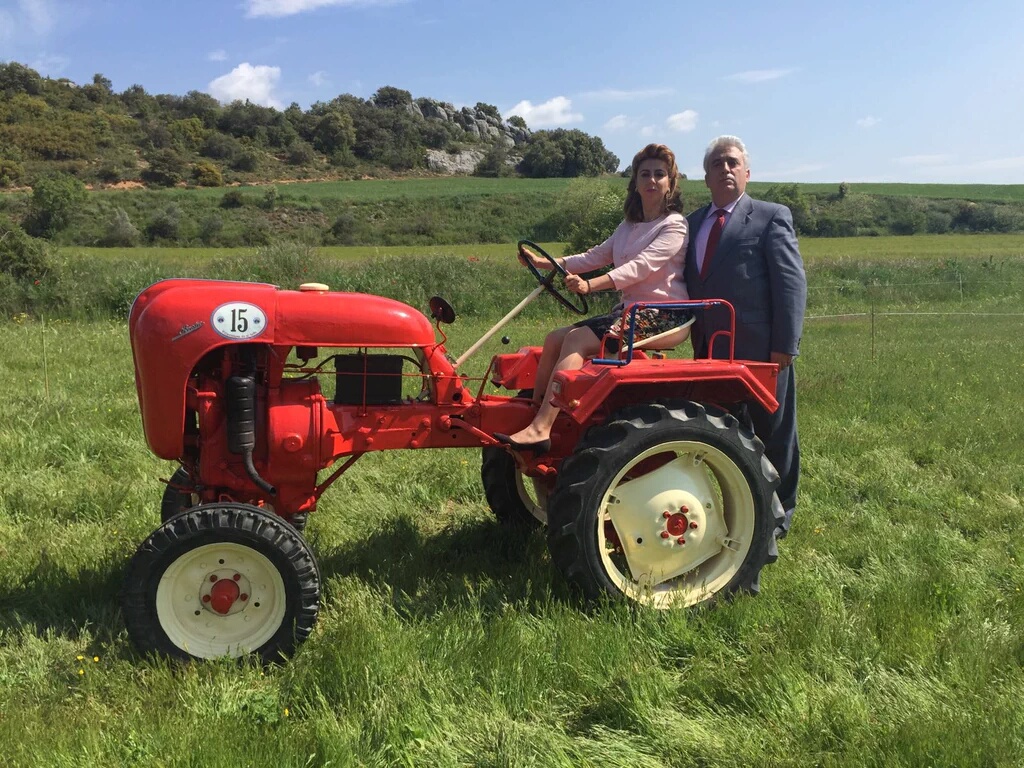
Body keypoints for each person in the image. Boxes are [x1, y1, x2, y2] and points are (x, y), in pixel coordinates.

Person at [496, 143, 691, 453]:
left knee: (577, 340)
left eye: (659, 174)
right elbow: (594, 256)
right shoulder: (629, 226)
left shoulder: (674, 225)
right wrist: (543, 262)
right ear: (635, 182)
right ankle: (534, 415)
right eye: (645, 174)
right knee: (555, 339)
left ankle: (542, 427)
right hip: (630, 310)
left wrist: (590, 286)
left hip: (665, 313)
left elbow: (640, 267)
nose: (652, 180)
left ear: (670, 183)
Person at [683, 135, 807, 537]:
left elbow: (791, 283)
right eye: (717, 164)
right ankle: (743, 508)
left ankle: (779, 515)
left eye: (733, 162)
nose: (726, 169)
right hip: (710, 350)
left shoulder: (770, 216)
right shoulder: (692, 224)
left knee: (774, 431)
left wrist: (785, 345)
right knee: (728, 435)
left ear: (747, 173)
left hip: (761, 349)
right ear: (706, 177)